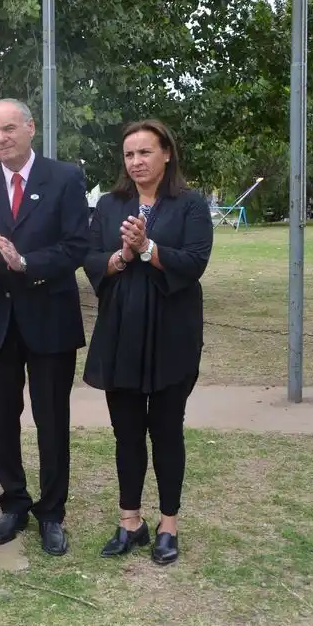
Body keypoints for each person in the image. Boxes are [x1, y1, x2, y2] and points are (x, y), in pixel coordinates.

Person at [0, 98, 90, 555]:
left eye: (8, 129)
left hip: (49, 318)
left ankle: (52, 513)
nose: (0, 139)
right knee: (2, 421)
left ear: (31, 128)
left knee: (52, 420)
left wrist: (26, 261)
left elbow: (77, 246)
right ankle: (14, 502)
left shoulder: (66, 178)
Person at [83, 120, 213, 565]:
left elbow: (194, 262)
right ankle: (130, 521)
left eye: (145, 153)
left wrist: (147, 248)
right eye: (129, 155)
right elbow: (92, 257)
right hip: (121, 332)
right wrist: (121, 255)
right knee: (126, 433)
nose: (136, 162)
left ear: (166, 155)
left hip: (171, 333)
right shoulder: (109, 204)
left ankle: (169, 524)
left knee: (166, 429)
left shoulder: (190, 205)